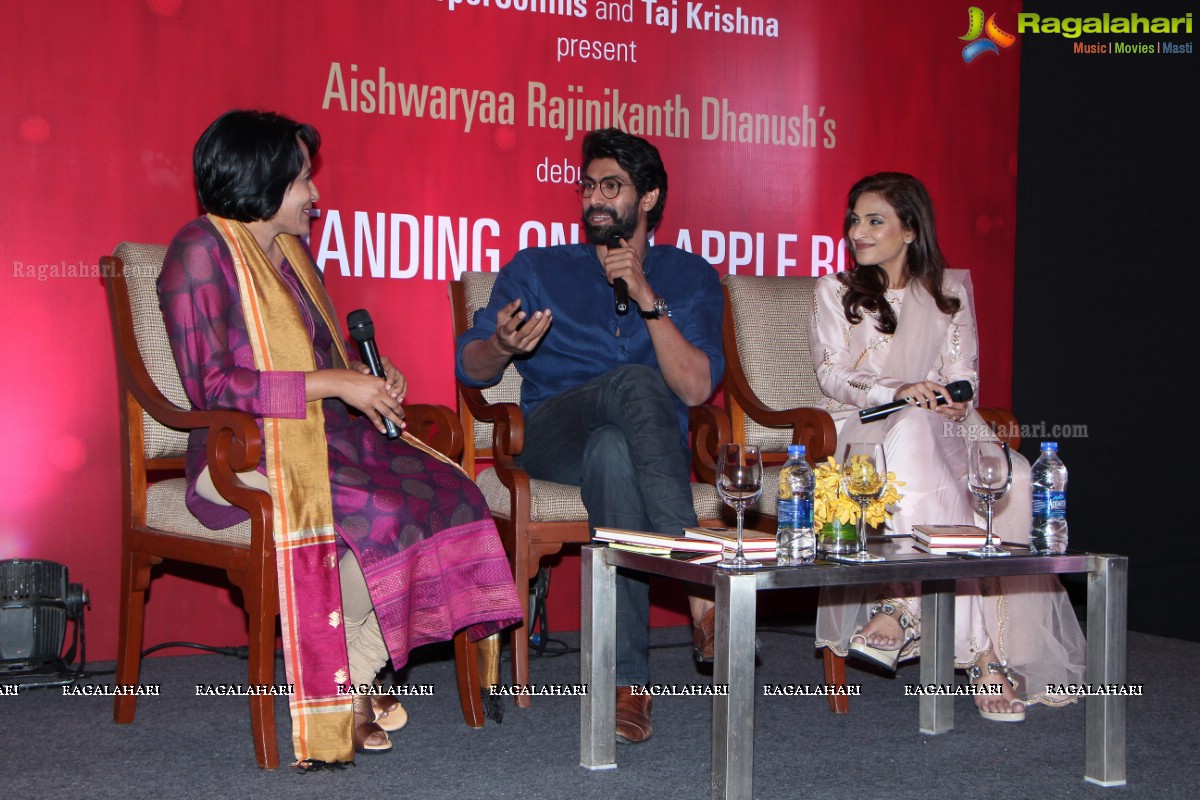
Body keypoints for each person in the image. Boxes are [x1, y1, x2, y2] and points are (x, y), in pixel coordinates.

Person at [158, 110, 522, 765]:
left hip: (331, 442)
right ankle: (351, 685)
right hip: (240, 453)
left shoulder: (294, 255)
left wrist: (365, 378)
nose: (315, 194)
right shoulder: (197, 252)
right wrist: (333, 384)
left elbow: (319, 356)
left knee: (454, 494)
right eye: (301, 180)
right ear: (259, 180)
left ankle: (351, 672)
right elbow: (212, 388)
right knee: (383, 514)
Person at [455, 128, 724, 743]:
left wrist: (649, 299)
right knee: (627, 387)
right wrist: (499, 346)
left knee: (614, 453)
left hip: (631, 449)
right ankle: (699, 584)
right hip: (551, 434)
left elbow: (692, 389)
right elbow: (468, 365)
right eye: (588, 186)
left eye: (612, 186)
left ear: (649, 198)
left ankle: (626, 685)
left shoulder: (688, 276)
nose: (594, 198)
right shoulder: (539, 268)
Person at [808, 172, 1085, 720]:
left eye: (874, 220)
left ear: (910, 229)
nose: (858, 232)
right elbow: (831, 374)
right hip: (865, 427)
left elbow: (965, 374)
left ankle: (907, 608)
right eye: (854, 220)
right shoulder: (837, 291)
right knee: (911, 431)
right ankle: (980, 655)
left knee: (1017, 474)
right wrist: (898, 390)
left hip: (945, 423)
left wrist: (956, 398)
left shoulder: (949, 290)